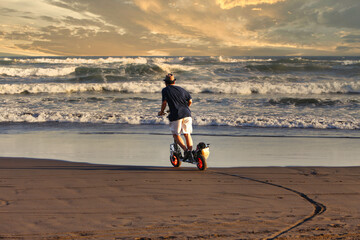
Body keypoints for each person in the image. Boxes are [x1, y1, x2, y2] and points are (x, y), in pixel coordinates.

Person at [158, 73, 193, 160]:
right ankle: (190, 152)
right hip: (187, 113)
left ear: (166, 83)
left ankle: (185, 150)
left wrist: (161, 112)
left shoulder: (165, 90)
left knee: (176, 134)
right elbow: (190, 101)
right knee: (187, 133)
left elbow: (164, 102)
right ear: (174, 82)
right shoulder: (181, 89)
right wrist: (185, 107)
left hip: (176, 114)